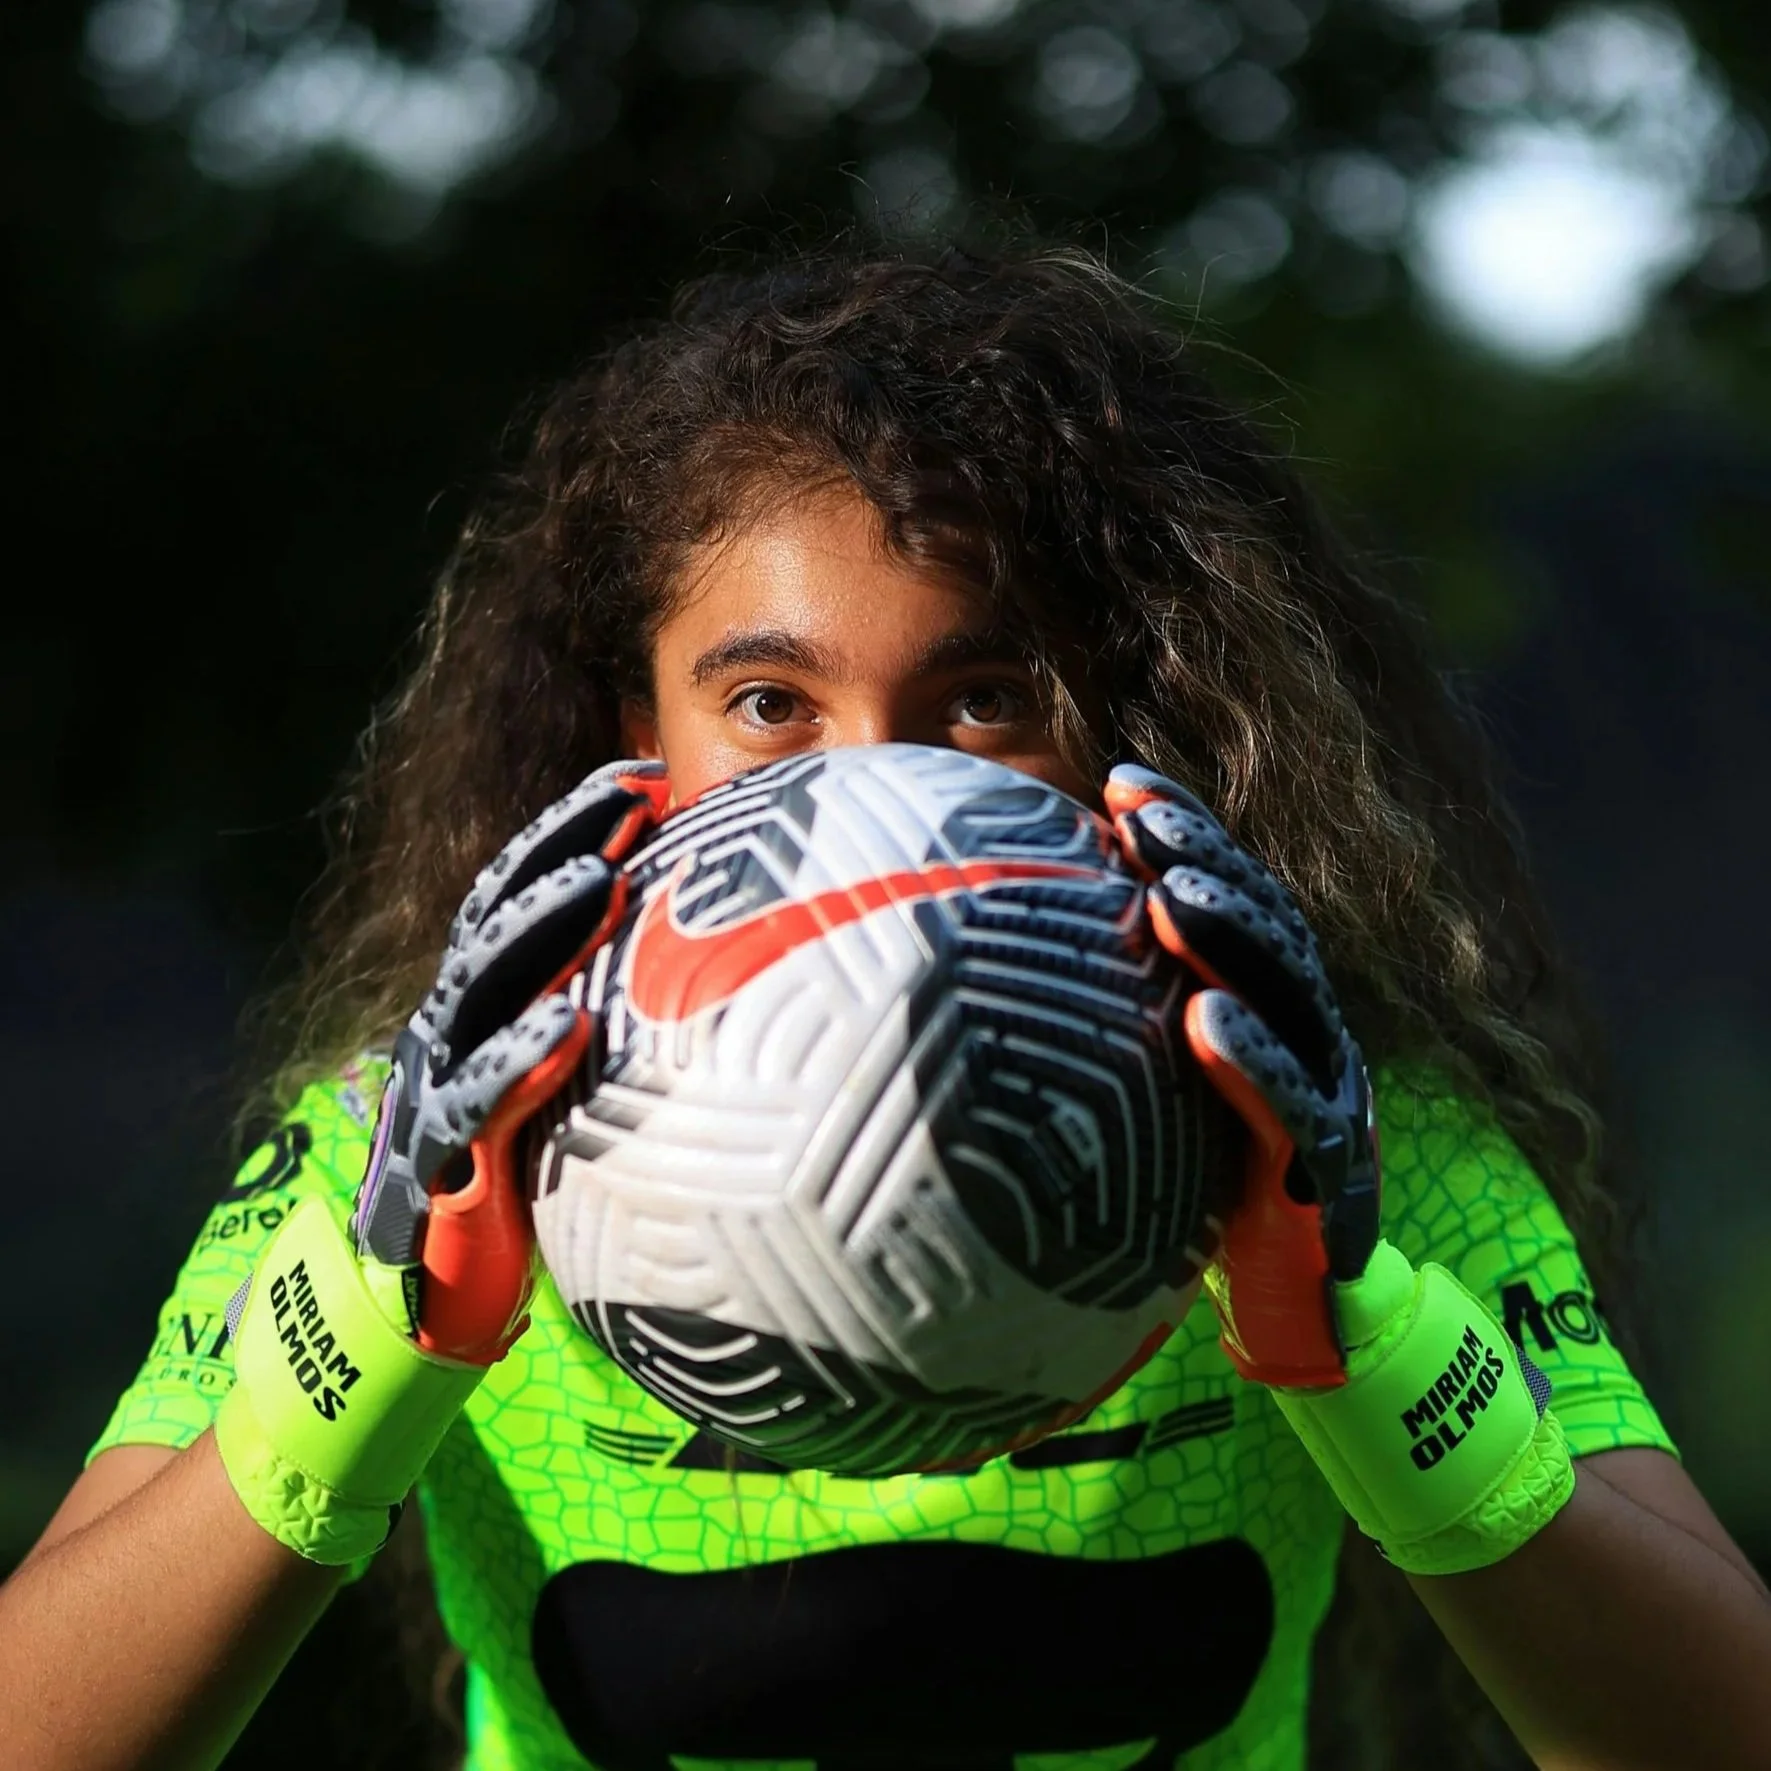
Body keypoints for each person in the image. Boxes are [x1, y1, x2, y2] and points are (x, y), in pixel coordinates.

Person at [4, 242, 1767, 1771]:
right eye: (769, 701)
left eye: (986, 696)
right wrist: (383, 1320)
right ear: (637, 742)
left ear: (1133, 730)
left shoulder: (1340, 1145)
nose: (879, 796)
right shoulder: (425, 1145)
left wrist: (1355, 1332)